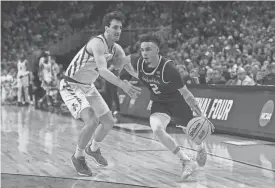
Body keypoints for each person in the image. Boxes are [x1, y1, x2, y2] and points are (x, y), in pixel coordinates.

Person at [120, 34, 214, 180]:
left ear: (157, 50)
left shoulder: (169, 69)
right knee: (157, 129)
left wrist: (200, 114)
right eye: (142, 49)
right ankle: (185, 160)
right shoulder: (137, 61)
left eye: (148, 49)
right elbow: (123, 61)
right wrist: (127, 78)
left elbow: (186, 93)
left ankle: (200, 148)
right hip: (159, 104)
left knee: (193, 133)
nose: (144, 53)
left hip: (177, 103)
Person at [59, 11, 141, 176]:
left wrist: (142, 77)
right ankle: (78, 156)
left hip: (88, 86)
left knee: (109, 121)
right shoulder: (97, 43)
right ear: (106, 28)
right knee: (92, 121)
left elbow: (124, 65)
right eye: (115, 27)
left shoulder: (116, 48)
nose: (118, 31)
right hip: (71, 85)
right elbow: (103, 70)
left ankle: (93, 149)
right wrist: (122, 85)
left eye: (120, 28)